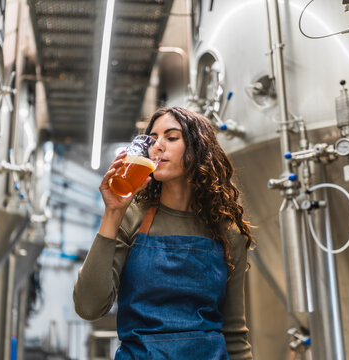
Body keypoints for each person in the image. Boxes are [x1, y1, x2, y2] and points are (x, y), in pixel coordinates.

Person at [73, 107, 254, 359]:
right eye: (154, 139)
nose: (157, 146)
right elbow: (89, 306)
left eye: (171, 137)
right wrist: (113, 213)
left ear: (197, 148)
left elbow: (234, 334)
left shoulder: (226, 232)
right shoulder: (132, 217)